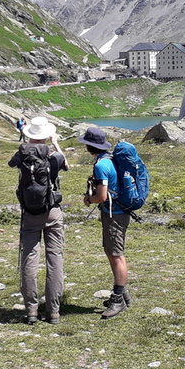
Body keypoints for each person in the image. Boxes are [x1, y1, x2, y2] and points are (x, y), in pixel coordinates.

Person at [7, 117, 68, 324]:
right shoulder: (53, 156)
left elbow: (11, 164)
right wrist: (55, 143)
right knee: (55, 258)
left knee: (29, 258)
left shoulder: (22, 154)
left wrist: (26, 141)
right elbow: (66, 165)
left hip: (29, 213)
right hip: (51, 211)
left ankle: (31, 310)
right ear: (47, 135)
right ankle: (53, 311)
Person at [81, 127, 132, 319]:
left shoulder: (101, 165)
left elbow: (102, 196)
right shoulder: (109, 160)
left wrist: (88, 200)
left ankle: (118, 299)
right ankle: (123, 293)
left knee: (116, 254)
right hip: (119, 212)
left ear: (89, 146)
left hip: (114, 214)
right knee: (113, 252)